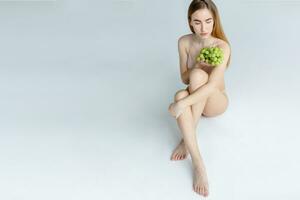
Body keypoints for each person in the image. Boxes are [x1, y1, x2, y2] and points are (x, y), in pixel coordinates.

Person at [168, 0, 231, 197]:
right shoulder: (184, 42)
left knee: (192, 85)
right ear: (190, 22)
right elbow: (183, 77)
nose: (203, 27)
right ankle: (198, 164)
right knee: (186, 85)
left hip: (215, 101)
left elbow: (212, 85)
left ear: (215, 21)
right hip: (196, 96)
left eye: (208, 21)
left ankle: (186, 139)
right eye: (197, 22)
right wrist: (197, 64)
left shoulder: (222, 46)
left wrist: (181, 104)